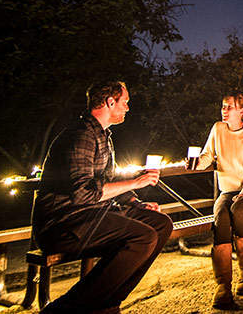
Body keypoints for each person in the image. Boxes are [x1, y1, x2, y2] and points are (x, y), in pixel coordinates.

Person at [31, 80, 174, 314]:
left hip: (92, 215)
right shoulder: (81, 136)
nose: (128, 108)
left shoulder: (103, 136)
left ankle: (108, 303)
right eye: (125, 102)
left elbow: (109, 182)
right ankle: (66, 308)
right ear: (110, 102)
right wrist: (136, 182)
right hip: (64, 223)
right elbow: (82, 193)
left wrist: (137, 202)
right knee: (143, 236)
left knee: (160, 224)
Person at [195, 93, 243, 307]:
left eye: (229, 107)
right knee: (220, 219)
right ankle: (223, 289)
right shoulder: (218, 129)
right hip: (228, 192)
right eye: (223, 106)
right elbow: (208, 155)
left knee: (239, 211)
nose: (224, 110)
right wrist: (195, 163)